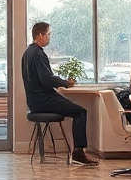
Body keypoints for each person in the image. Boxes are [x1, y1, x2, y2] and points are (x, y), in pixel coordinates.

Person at [21, 21, 97, 166]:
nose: (49, 37)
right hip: (44, 99)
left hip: (34, 101)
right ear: (40, 35)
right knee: (80, 112)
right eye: (48, 34)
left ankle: (77, 152)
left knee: (75, 110)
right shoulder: (38, 54)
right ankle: (78, 153)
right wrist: (65, 83)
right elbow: (46, 79)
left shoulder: (27, 53)